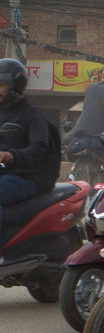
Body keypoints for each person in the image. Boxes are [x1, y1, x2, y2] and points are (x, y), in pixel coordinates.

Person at [0, 58, 61, 265]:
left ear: (16, 87)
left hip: (26, 177)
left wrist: (12, 155)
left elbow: (39, 148)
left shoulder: (32, 115)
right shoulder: (2, 112)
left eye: (2, 84)